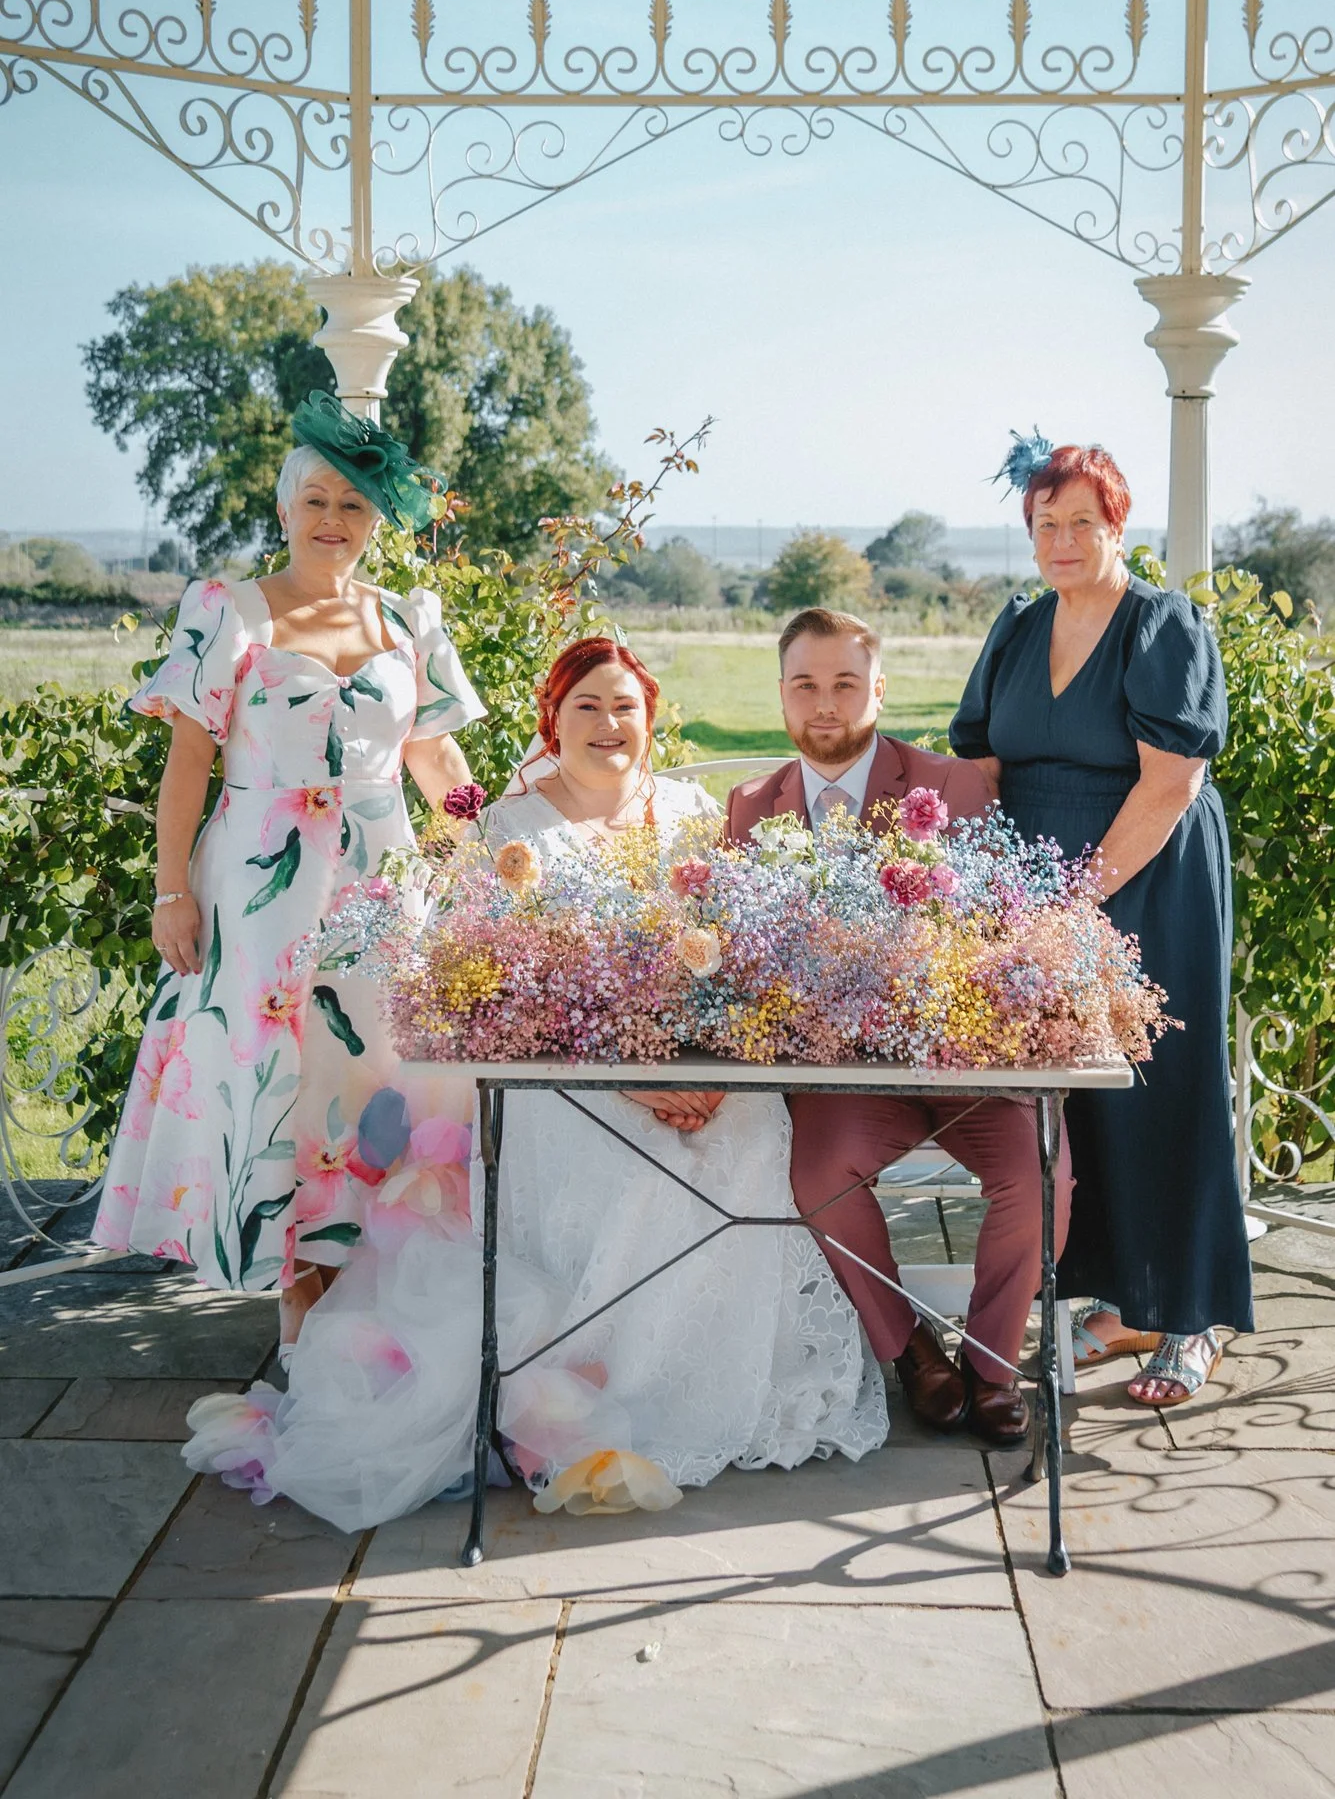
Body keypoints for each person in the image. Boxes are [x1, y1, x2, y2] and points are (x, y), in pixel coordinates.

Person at [181, 636, 887, 1530]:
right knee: (633, 1171)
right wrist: (624, 1082)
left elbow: (739, 962)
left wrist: (703, 1071)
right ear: (551, 720)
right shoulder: (502, 825)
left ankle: (718, 1385)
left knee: (750, 1139)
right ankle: (595, 1396)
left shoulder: (695, 814)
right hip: (554, 1071)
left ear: (652, 721)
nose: (607, 724)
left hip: (690, 1060)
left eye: (625, 707)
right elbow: (494, 991)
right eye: (585, 706)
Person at [91, 391, 485, 1361]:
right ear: (283, 509)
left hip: (385, 890)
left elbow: (435, 761)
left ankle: (371, 1286)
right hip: (260, 894)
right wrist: (171, 891)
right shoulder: (227, 611)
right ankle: (299, 1303)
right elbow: (189, 761)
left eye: (353, 504)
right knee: (280, 1082)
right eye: (315, 499)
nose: (332, 520)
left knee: (373, 1073)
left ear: (375, 520)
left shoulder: (410, 619)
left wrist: (484, 855)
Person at [950, 434, 1253, 1403]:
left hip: (1146, 875)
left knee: (1162, 1085)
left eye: (1083, 520)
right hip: (1037, 887)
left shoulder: (1162, 626)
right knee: (1080, 1100)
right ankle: (1124, 1308)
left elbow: (1170, 784)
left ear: (1119, 526)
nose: (1063, 539)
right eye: (1046, 523)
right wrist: (987, 886)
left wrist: (1076, 896)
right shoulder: (1018, 627)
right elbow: (982, 761)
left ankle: (1192, 1312)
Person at [726, 607, 1071, 1447]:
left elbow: (1002, 923)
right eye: (805, 684)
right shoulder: (752, 807)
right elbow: (739, 955)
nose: (825, 704)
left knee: (1040, 1176)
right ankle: (912, 1350)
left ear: (878, 689)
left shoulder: (948, 787)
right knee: (817, 1175)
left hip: (965, 1065)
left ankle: (991, 1365)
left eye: (846, 683)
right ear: (781, 694)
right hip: (847, 1078)